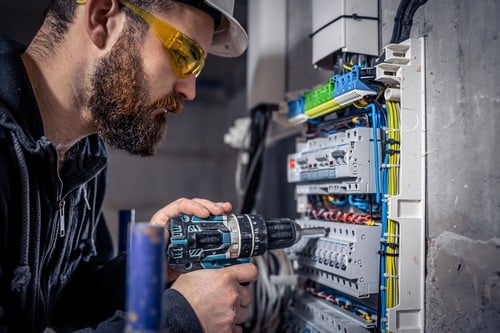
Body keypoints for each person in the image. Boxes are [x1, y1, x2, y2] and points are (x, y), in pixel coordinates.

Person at [0, 0, 258, 332]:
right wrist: (178, 320)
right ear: (102, 17)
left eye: (196, 70)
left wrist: (147, 266)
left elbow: (67, 304)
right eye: (183, 54)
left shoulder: (86, 156)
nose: (189, 90)